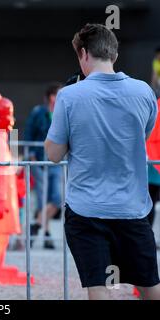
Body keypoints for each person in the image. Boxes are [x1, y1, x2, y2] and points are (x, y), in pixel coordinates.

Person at [45, 23, 160, 300]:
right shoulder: (144, 92)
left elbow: (53, 154)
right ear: (114, 55)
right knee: (150, 287)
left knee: (99, 290)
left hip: (86, 210)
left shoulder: (69, 95)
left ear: (83, 54)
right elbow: (141, 136)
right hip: (132, 208)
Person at [24, 83, 63, 249]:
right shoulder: (38, 113)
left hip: (57, 161)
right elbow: (29, 133)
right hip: (39, 160)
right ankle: (46, 234)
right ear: (51, 96)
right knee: (42, 198)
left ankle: (36, 225)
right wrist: (31, 155)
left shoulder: (63, 112)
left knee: (57, 199)